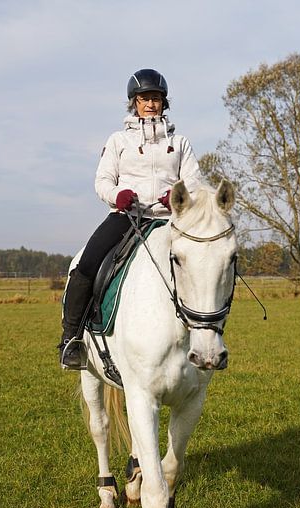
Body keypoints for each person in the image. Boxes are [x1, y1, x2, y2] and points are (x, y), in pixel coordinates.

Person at [59, 68, 204, 370]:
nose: (150, 104)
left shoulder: (180, 143)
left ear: (164, 103)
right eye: (144, 98)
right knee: (87, 264)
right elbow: (102, 181)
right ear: (134, 103)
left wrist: (177, 196)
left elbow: (194, 182)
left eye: (156, 98)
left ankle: (207, 334)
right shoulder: (117, 141)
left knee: (206, 262)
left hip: (168, 218)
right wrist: (117, 195)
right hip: (128, 215)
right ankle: (71, 339)